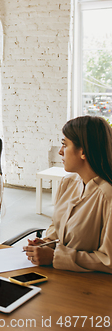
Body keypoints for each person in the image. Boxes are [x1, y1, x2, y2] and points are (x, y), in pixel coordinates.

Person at [23, 116, 112, 273]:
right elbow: (57, 230)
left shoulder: (107, 196)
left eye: (65, 145)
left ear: (83, 151)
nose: (60, 151)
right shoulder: (68, 182)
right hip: (58, 276)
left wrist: (55, 257)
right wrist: (45, 243)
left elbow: (108, 261)